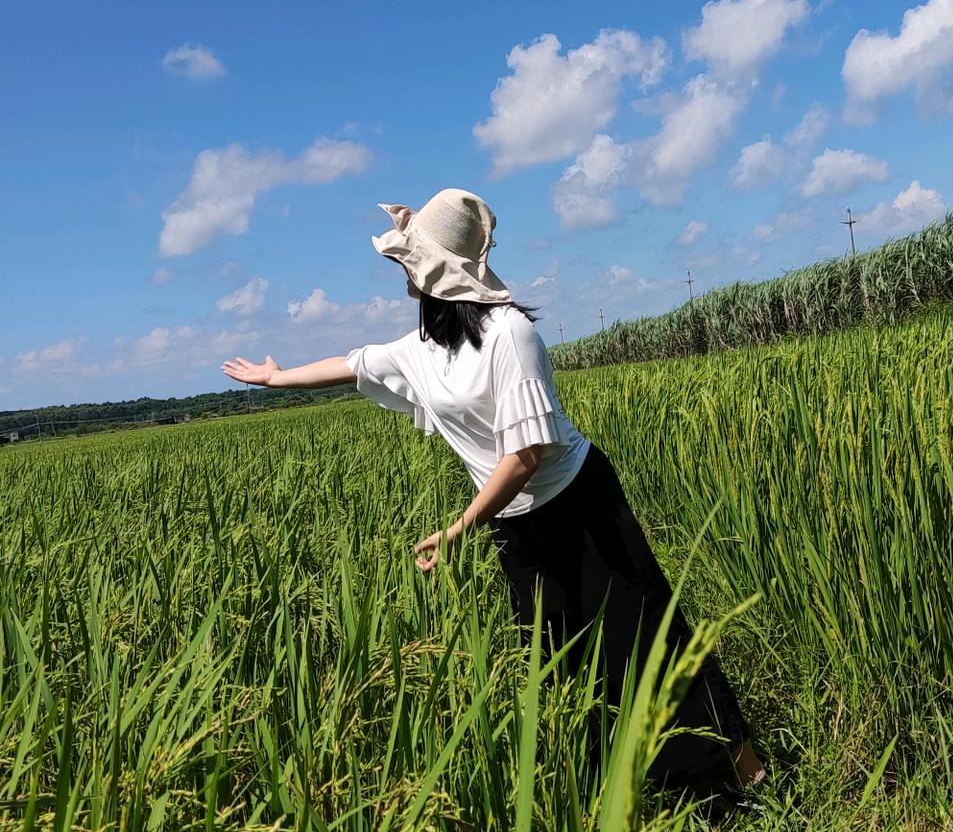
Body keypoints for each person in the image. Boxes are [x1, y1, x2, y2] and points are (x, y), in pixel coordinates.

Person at [221, 188, 766, 801]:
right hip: (516, 523)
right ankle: (633, 788)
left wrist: (460, 528)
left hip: (582, 508)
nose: (403, 274)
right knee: (561, 660)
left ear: (436, 273)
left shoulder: (511, 335)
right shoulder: (422, 348)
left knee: (647, 639)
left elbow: (525, 456)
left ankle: (751, 780)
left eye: (409, 262)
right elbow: (351, 364)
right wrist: (276, 378)